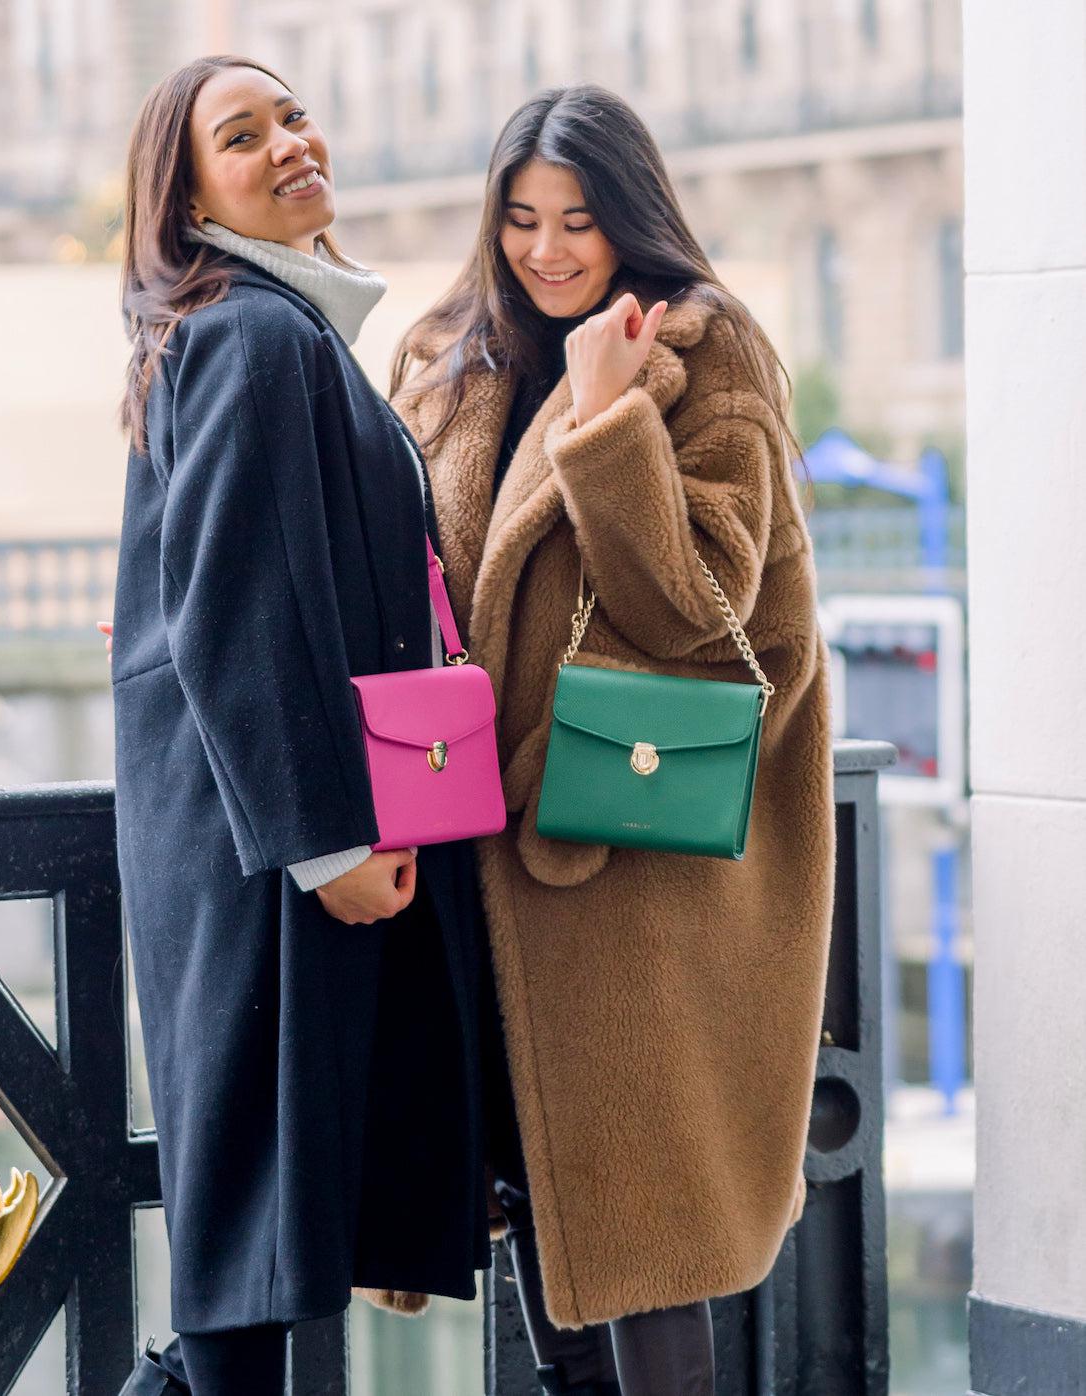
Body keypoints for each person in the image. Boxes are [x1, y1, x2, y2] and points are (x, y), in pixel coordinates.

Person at [388, 85, 836, 1395]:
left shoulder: (706, 355)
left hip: (631, 869)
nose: (547, 250)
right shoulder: (451, 357)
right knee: (543, 1215)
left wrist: (606, 419)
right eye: (522, 218)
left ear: (630, 219)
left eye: (578, 221)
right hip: (483, 853)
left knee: (646, 1249)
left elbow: (701, 605)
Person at [107, 55, 490, 1396]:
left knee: (262, 1228)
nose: (288, 144)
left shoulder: (270, 328)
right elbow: (233, 613)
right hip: (266, 852)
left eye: (294, 118)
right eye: (242, 134)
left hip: (251, 839)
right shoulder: (255, 335)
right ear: (187, 189)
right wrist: (332, 843)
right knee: (250, 1237)